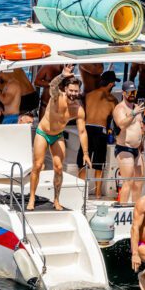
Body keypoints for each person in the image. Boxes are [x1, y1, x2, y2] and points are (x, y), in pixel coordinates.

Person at [28, 64, 91, 211]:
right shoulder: (57, 96)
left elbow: (82, 131)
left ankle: (56, 199)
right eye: (71, 90)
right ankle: (31, 197)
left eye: (76, 91)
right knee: (37, 166)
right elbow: (52, 85)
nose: (73, 94)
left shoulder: (78, 109)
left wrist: (86, 154)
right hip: (43, 132)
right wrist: (63, 74)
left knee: (58, 167)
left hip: (57, 135)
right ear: (66, 89)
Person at [78, 70, 119, 197]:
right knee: (99, 165)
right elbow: (115, 121)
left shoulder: (88, 95)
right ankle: (96, 195)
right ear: (111, 84)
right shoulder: (112, 100)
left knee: (83, 163)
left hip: (87, 129)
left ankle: (81, 194)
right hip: (100, 131)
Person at [113, 81, 145, 204]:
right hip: (124, 149)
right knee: (128, 181)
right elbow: (121, 124)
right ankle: (123, 207)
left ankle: (136, 207)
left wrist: (141, 141)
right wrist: (133, 113)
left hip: (137, 149)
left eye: (134, 92)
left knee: (139, 181)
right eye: (130, 92)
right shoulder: (119, 108)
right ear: (123, 93)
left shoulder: (136, 107)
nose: (132, 94)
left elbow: (139, 126)